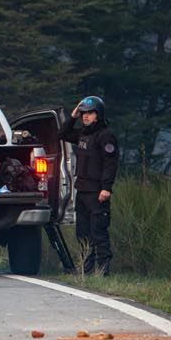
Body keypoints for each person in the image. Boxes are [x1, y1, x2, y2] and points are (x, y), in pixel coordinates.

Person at [58, 96, 117, 275]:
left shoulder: (105, 135)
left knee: (98, 231)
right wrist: (73, 116)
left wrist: (106, 187)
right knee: (82, 232)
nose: (86, 116)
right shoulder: (83, 134)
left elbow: (110, 163)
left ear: (98, 115)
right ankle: (86, 267)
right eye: (84, 113)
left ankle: (103, 268)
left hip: (97, 191)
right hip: (82, 190)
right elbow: (62, 134)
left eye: (89, 113)